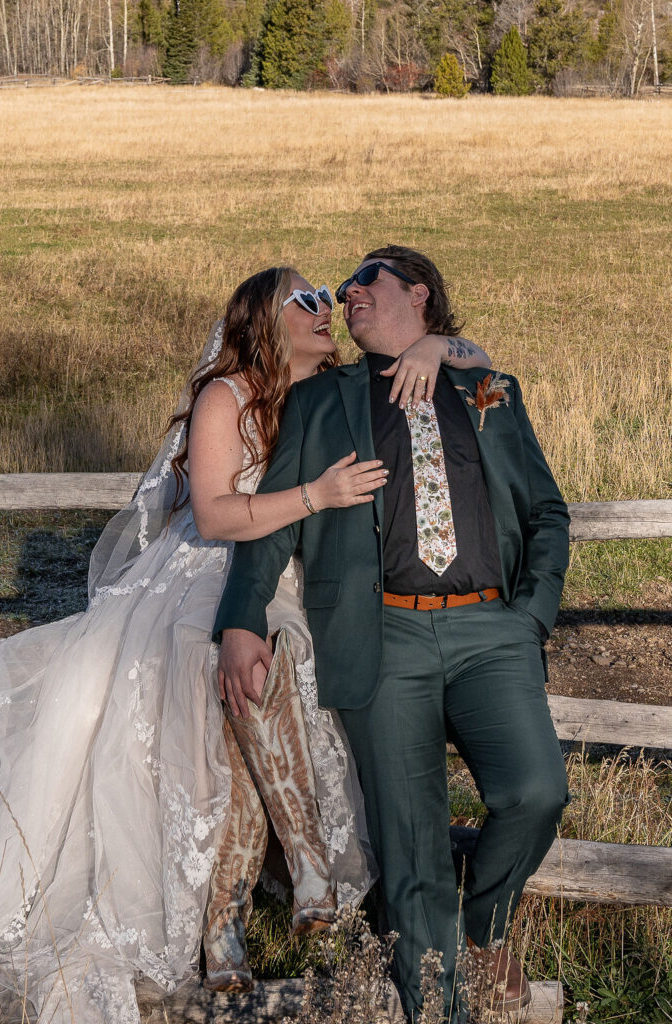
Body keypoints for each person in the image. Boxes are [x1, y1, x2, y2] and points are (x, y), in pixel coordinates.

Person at [0, 263, 491, 1024]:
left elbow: (480, 361)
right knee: (231, 667)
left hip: (291, 572)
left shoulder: (328, 390)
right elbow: (216, 516)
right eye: (308, 299)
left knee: (265, 663)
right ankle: (290, 870)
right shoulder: (226, 396)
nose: (327, 308)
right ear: (265, 318)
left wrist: (433, 347)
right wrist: (316, 496)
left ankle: (229, 919)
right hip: (207, 570)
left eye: (326, 298)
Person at [215, 246, 572, 1023]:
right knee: (411, 851)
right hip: (381, 637)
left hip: (491, 631)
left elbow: (545, 512)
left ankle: (484, 926)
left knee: (536, 791)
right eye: (341, 288)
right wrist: (240, 621)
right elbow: (272, 524)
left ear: (418, 294)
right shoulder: (320, 400)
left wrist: (530, 618)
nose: (346, 293)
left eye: (365, 279)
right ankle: (436, 1013)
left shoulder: (488, 388)